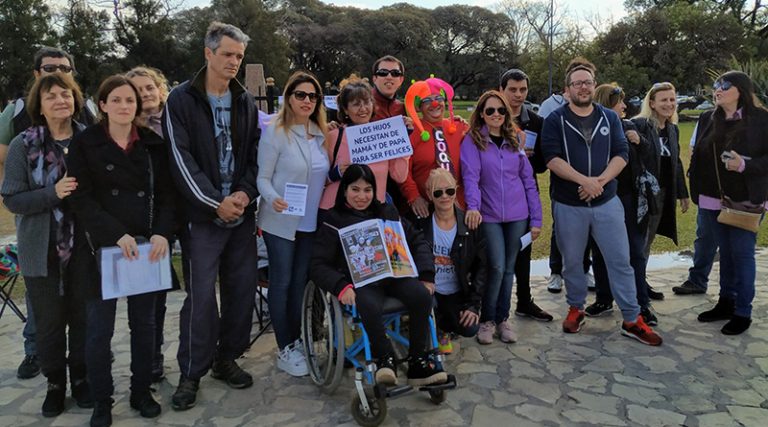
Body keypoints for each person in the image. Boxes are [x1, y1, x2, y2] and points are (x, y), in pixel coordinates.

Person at [67, 74, 177, 426]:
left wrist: (162, 233)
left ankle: (141, 391)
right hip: (101, 250)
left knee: (144, 326)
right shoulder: (85, 144)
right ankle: (102, 400)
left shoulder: (152, 144)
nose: (124, 106)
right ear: (102, 105)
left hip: (146, 248)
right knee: (99, 331)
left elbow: (168, 195)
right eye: (116, 100)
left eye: (130, 100)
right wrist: (115, 234)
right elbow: (80, 198)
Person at [163, 22, 261, 410]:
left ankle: (227, 358)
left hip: (240, 213)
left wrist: (244, 193)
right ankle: (191, 372)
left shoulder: (245, 100)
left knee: (241, 291)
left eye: (239, 56)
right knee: (201, 298)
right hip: (202, 217)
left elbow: (255, 155)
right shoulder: (181, 99)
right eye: (227, 54)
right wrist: (211, 201)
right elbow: (179, 159)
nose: (234, 62)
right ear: (208, 53)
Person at [540, 58, 663, 346]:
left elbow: (621, 153)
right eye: (577, 83)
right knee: (572, 263)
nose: (583, 87)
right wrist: (584, 181)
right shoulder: (555, 120)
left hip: (607, 203)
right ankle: (576, 308)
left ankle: (632, 318)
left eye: (587, 82)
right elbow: (552, 158)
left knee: (620, 261)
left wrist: (600, 182)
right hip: (570, 204)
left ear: (594, 86)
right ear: (567, 89)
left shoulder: (609, 118)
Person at [0, 46, 95, 381]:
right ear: (39, 104)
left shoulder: (90, 141)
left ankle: (81, 379)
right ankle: (55, 384)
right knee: (50, 323)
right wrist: (51, 194)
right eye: (51, 95)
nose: (60, 100)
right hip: (41, 249)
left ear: (76, 100)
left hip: (85, 249)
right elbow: (12, 199)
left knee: (83, 319)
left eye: (66, 94)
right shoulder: (22, 145)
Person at [310, 163, 448, 386]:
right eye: (355, 189)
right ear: (344, 190)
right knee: (369, 305)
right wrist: (340, 286)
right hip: (361, 282)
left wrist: (426, 275)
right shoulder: (333, 220)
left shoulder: (387, 212)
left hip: (395, 276)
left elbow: (417, 241)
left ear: (375, 191)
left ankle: (417, 361)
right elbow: (318, 264)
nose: (362, 196)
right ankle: (385, 359)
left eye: (367, 190)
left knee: (422, 297)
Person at [257, 70, 329, 377]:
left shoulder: (322, 133)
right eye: (300, 94)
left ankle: (298, 338)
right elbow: (262, 177)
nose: (307, 100)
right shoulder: (276, 131)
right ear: (288, 97)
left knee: (300, 284)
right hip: (280, 221)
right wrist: (272, 197)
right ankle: (285, 346)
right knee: (282, 282)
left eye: (313, 96)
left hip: (310, 222)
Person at [688, 71, 768, 335]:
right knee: (726, 253)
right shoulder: (707, 118)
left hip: (746, 200)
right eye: (715, 85)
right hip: (712, 199)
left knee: (742, 254)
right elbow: (698, 155)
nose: (717, 89)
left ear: (741, 89)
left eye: (723, 85)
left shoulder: (762, 120)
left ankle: (742, 311)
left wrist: (743, 164)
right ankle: (726, 302)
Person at [460, 90, 542, 344]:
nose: (496, 115)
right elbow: (470, 177)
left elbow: (528, 180)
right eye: (490, 110)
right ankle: (487, 319)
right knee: (495, 266)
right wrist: (473, 207)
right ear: (482, 114)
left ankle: (502, 318)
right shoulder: (472, 141)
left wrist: (536, 219)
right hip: (490, 215)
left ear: (507, 113)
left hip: (518, 215)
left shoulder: (515, 140)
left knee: (508, 269)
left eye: (501, 110)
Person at [585, 83, 659, 325]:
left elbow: (651, 156)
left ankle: (641, 303)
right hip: (602, 198)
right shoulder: (590, 130)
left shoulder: (631, 126)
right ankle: (604, 298)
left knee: (634, 252)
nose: (625, 107)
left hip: (629, 199)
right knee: (600, 251)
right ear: (607, 105)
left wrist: (640, 141)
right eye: (620, 103)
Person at [126, 66, 174, 383]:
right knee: (144, 301)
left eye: (149, 88)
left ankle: (160, 355)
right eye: (137, 90)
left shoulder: (172, 124)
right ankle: (148, 360)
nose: (145, 94)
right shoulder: (126, 133)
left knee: (163, 296)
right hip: (141, 222)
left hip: (172, 216)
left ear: (160, 90)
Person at [498, 68, 553, 322]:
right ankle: (490, 305)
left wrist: (530, 159)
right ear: (502, 90)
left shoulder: (536, 122)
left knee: (523, 249)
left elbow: (543, 164)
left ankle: (524, 300)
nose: (518, 95)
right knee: (494, 254)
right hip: (494, 196)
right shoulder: (492, 116)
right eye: (513, 90)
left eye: (523, 90)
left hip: (524, 195)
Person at [632, 82, 690, 301]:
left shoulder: (672, 129)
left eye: (673, 99)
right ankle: (634, 287)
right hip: (641, 197)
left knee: (647, 242)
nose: (669, 104)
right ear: (652, 103)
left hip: (662, 195)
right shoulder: (639, 125)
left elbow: (676, 163)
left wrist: (683, 194)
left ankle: (640, 282)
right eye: (664, 100)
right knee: (638, 242)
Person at [418, 168, 486, 353]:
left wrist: (473, 305)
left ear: (456, 190)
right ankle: (439, 328)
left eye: (450, 191)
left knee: (470, 327)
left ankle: (444, 326)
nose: (445, 197)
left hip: (457, 291)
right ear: (429, 195)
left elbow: (482, 268)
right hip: (432, 290)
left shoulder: (470, 224)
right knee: (426, 309)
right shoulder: (421, 225)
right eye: (437, 192)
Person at [319, 77, 408, 211]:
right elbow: (316, 180)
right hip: (336, 214)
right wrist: (335, 174)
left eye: (367, 103)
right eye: (356, 104)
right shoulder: (333, 137)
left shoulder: (385, 135)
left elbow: (400, 177)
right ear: (346, 110)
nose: (363, 109)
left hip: (373, 214)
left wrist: (403, 142)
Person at [400, 77, 468, 218]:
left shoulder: (459, 126)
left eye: (438, 98)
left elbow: (489, 131)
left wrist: (517, 133)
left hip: (460, 207)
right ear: (419, 107)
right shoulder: (411, 131)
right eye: (427, 101)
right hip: (426, 209)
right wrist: (414, 197)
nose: (435, 103)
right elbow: (403, 171)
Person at [673, 124, 718, 295]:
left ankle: (733, 296)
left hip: (742, 197)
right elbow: (695, 148)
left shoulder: (757, 117)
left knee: (737, 247)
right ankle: (697, 281)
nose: (717, 95)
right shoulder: (707, 118)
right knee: (705, 238)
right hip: (710, 192)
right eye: (715, 93)